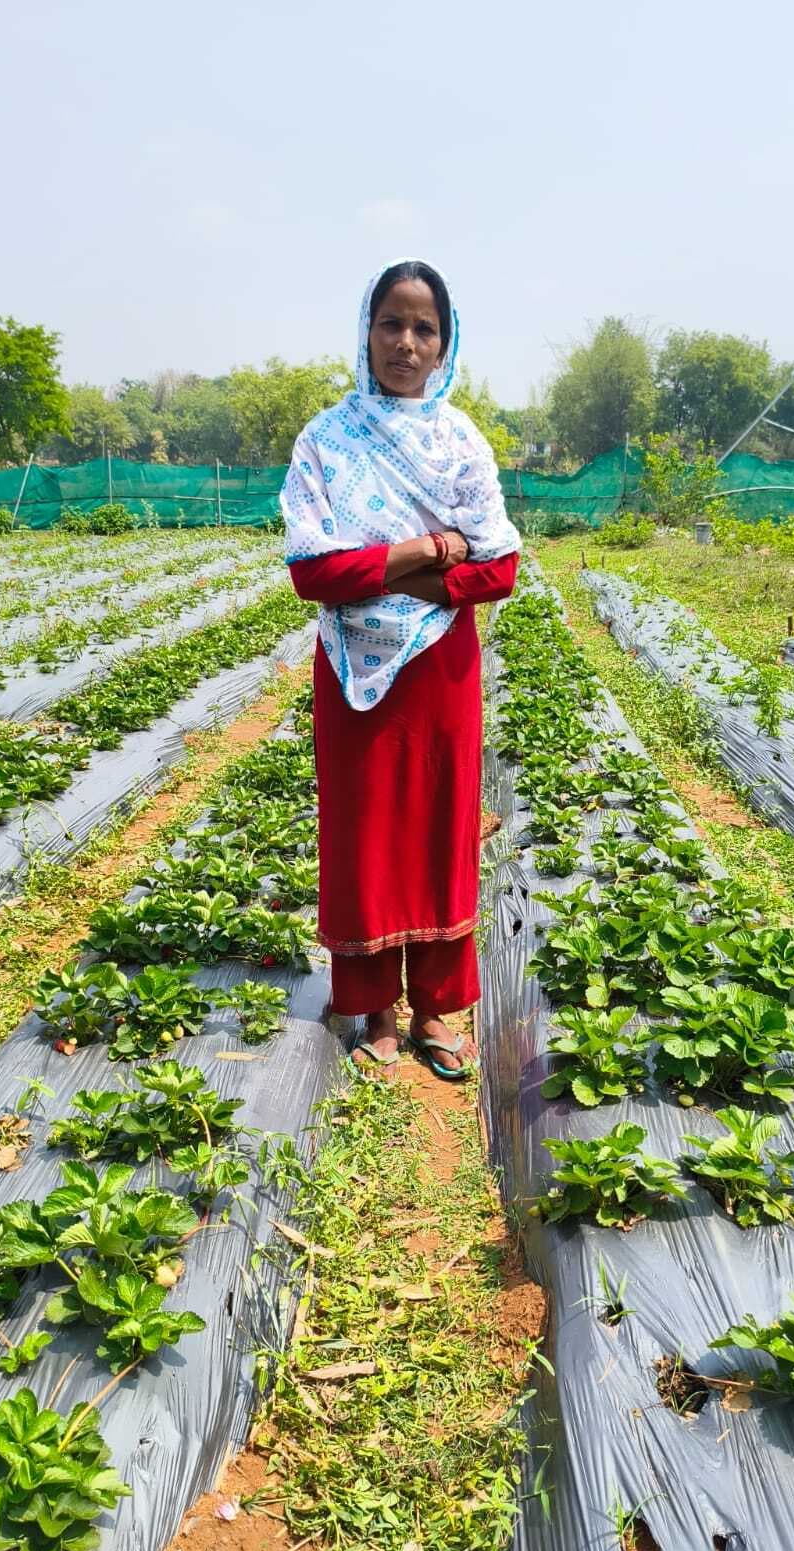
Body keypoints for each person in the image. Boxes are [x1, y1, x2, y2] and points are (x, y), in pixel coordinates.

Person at [281, 258, 521, 1079]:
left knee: (441, 823)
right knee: (367, 827)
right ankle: (376, 1010)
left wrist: (389, 573)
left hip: (440, 665)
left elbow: (498, 570)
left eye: (425, 328)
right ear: (366, 332)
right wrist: (424, 551)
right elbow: (314, 573)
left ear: (445, 345)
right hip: (354, 669)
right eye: (392, 323)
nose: (406, 343)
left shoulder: (460, 442)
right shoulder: (325, 440)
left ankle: (435, 1010)